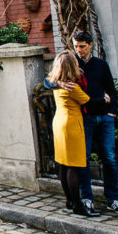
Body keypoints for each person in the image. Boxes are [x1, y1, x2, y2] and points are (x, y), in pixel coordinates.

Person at [46, 30, 118, 215]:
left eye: (82, 46)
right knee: (82, 161)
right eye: (76, 47)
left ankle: (113, 199)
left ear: (91, 45)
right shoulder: (71, 63)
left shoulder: (101, 65)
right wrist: (57, 84)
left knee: (109, 158)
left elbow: (111, 90)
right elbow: (48, 80)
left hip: (105, 118)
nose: (79, 50)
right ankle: (87, 199)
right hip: (86, 119)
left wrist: (112, 112)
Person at [47, 51, 99, 217]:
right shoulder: (72, 87)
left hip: (59, 122)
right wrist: (104, 99)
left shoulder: (56, 83)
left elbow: (47, 81)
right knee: (74, 166)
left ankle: (69, 200)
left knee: (63, 163)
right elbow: (88, 101)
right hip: (71, 125)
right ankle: (77, 205)